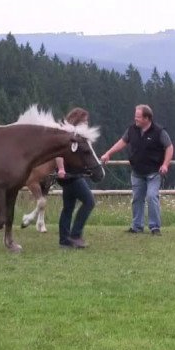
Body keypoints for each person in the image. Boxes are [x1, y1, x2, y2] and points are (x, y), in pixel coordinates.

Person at [100, 104, 174, 235]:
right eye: (135, 116)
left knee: (151, 197)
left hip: (154, 173)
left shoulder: (159, 131)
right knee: (137, 199)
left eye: (138, 117)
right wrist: (108, 153)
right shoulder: (131, 130)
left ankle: (155, 227)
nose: (135, 119)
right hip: (137, 172)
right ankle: (137, 226)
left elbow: (169, 147)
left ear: (147, 118)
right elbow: (122, 142)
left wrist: (165, 165)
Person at [57, 107, 97, 249]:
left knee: (68, 207)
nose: (86, 123)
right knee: (89, 202)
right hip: (72, 175)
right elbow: (59, 153)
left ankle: (64, 240)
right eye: (85, 121)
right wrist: (61, 169)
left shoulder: (75, 135)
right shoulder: (70, 135)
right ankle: (75, 235)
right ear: (77, 120)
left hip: (72, 175)